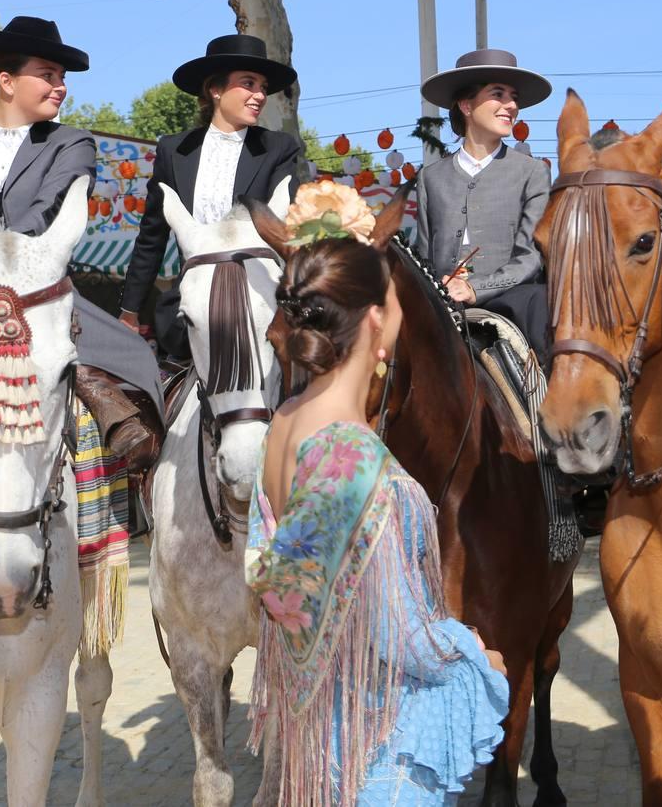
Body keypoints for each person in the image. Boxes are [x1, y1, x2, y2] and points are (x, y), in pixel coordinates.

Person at [244, 182, 509, 805]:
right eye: (394, 298)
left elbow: (279, 580)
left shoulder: (282, 425)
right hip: (377, 747)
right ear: (375, 319)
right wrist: (477, 658)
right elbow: (402, 634)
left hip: (322, 736)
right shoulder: (351, 454)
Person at [0, 16, 162, 471]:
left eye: (61, 78)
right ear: (7, 81)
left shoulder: (72, 144)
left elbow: (45, 214)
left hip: (41, 293)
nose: (60, 87)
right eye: (48, 75)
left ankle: (127, 482)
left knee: (138, 360)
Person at [119, 34, 302, 360]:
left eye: (262, 86)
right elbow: (152, 237)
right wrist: (129, 311)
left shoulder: (279, 149)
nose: (259, 95)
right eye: (248, 83)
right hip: (190, 305)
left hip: (259, 301)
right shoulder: (174, 150)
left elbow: (286, 229)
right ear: (215, 90)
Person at [415, 48, 553, 361]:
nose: (512, 106)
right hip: (441, 303)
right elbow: (424, 255)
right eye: (498, 94)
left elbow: (530, 258)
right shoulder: (429, 178)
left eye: (513, 97)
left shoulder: (532, 172)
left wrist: (476, 288)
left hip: (511, 301)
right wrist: (439, 287)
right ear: (466, 105)